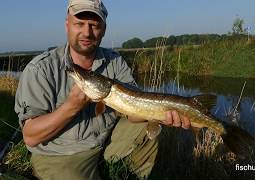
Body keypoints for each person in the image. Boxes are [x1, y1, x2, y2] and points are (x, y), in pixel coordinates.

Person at [14, 0, 191, 179]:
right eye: (79, 24)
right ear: (67, 25)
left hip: (104, 144)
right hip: (60, 155)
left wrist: (160, 114)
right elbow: (30, 137)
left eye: (94, 25)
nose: (87, 32)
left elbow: (132, 112)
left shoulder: (115, 61)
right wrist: (72, 106)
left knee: (146, 126)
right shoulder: (40, 69)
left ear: (104, 30)